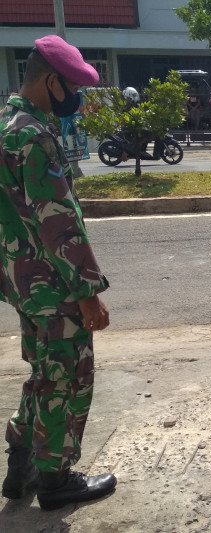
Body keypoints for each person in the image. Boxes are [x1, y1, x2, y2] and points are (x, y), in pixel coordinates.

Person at [0, 35, 116, 510]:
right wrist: (88, 291)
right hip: (53, 283)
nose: (78, 97)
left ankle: (21, 461)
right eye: (73, 86)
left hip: (22, 282)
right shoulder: (34, 134)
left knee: (43, 371)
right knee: (66, 377)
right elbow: (58, 222)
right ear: (51, 82)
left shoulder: (7, 125)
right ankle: (55, 479)